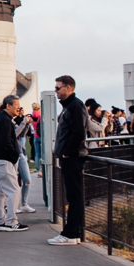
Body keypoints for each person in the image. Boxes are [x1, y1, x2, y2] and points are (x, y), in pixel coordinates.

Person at [49, 75, 88, 246]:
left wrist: (68, 152)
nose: (56, 91)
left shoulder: (74, 106)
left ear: (68, 88)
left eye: (58, 88)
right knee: (74, 195)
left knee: (74, 195)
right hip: (70, 156)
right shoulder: (70, 106)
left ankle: (71, 234)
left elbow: (78, 132)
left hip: (72, 157)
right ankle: (73, 233)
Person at [0, 95, 29, 231]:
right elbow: (6, 142)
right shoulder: (6, 121)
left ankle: (0, 221)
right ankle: (11, 221)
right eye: (16, 105)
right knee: (13, 191)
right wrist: (14, 155)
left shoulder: (0, 119)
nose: (18, 108)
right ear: (8, 106)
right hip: (4, 161)